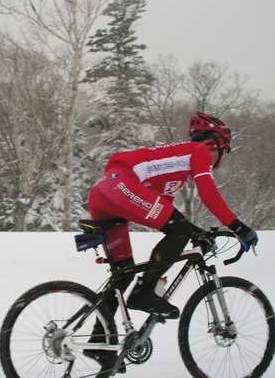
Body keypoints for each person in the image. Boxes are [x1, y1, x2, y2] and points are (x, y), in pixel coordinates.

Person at [87, 112, 258, 321]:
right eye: (225, 151)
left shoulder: (175, 165)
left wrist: (195, 232)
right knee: (180, 229)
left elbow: (164, 212)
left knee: (124, 273)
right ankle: (144, 293)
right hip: (120, 186)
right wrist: (237, 226)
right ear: (217, 144)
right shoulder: (200, 150)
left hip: (103, 194)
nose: (221, 160)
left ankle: (99, 344)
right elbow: (208, 194)